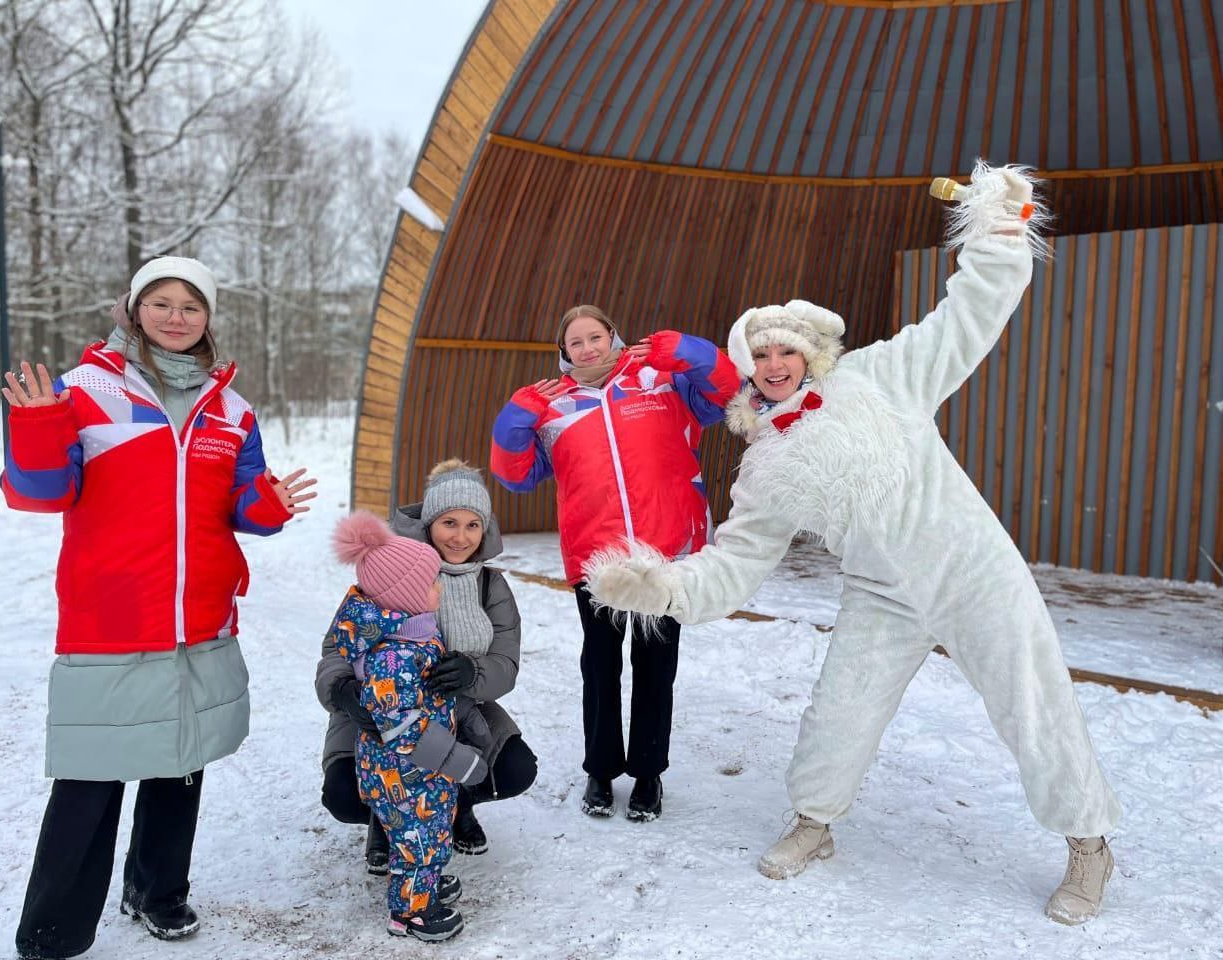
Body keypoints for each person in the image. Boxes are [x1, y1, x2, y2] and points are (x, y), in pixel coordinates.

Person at [584, 163, 1122, 924]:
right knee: (839, 712)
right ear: (749, 372)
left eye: (785, 352)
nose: (774, 366)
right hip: (881, 595)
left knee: (1031, 706)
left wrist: (999, 230)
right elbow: (735, 566)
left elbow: (967, 315)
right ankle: (814, 823)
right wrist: (663, 587)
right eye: (760, 357)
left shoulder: (882, 377)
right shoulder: (766, 463)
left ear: (809, 352)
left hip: (972, 571)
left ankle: (1088, 843)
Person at [0, 256, 317, 960]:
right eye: (162, 303)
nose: (177, 318)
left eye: (191, 307)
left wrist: (267, 506)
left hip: (199, 619)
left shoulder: (231, 408)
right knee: (92, 776)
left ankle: (157, 890)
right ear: (134, 308)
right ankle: (52, 931)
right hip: (111, 619)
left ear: (208, 318)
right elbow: (42, 492)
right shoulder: (85, 390)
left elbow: (243, 504)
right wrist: (35, 427)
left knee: (181, 761)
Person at [490, 306, 738, 821]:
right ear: (564, 352)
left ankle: (649, 775)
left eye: (595, 337)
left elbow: (725, 391)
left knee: (655, 666)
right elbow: (513, 475)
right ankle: (600, 771)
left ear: (613, 337)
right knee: (600, 666)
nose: (588, 348)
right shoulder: (553, 407)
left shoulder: (661, 381)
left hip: (663, 556)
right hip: (595, 558)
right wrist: (518, 413)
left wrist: (688, 350)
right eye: (575, 342)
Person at [315, 459, 537, 871]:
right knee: (345, 794)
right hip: (378, 710)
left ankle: (456, 808)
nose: (461, 536)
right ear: (429, 522)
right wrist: (345, 693)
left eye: (473, 525)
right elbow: (337, 648)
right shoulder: (391, 570)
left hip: (459, 706)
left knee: (514, 768)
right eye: (449, 523)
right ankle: (384, 821)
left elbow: (506, 661)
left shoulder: (490, 585)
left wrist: (474, 673)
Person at [328, 511, 490, 942]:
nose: (438, 589)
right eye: (431, 583)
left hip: (421, 769)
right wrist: (456, 759)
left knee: (433, 829)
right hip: (404, 770)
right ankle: (411, 912)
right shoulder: (394, 656)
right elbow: (400, 727)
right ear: (407, 595)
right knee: (417, 840)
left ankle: (426, 884)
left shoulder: (413, 634)